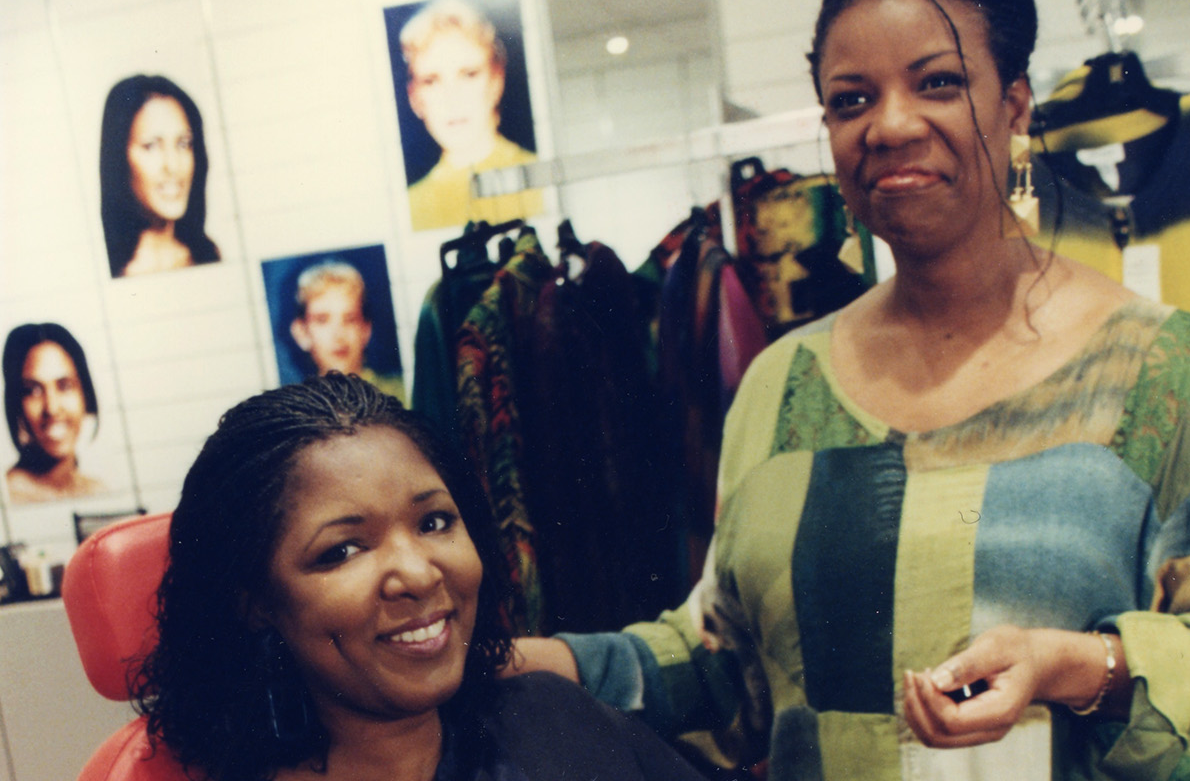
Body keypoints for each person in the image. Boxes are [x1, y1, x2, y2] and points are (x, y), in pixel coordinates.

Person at [504, 0, 1190, 779]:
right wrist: (539, 664)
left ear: (1015, 105)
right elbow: (729, 669)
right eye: (852, 99)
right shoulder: (782, 387)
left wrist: (1081, 667)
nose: (891, 125)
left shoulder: (1165, 370)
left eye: (938, 82)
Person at [131, 374, 707, 781]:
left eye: (434, 522)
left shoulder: (554, 718)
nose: (418, 573)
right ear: (254, 601)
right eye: (343, 551)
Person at [398, 0, 541, 230]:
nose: (452, 99)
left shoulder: (538, 179)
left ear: (496, 81)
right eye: (431, 81)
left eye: (469, 75)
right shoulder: (410, 205)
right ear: (415, 97)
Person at [99, 74, 220, 278]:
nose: (173, 166)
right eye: (151, 146)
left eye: (183, 144)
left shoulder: (209, 255)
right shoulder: (112, 270)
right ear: (118, 157)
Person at [3, 323, 105, 503]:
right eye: (33, 390)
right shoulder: (7, 496)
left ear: (85, 394)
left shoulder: (98, 490)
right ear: (16, 404)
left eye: (65, 386)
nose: (52, 408)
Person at [288, 261, 404, 402]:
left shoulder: (402, 393)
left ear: (366, 330)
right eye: (322, 320)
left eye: (350, 319)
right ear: (301, 333)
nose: (339, 335)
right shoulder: (296, 406)